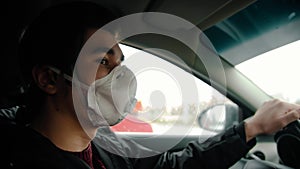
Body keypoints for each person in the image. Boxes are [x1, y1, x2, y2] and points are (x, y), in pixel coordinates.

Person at [1, 1, 300, 169]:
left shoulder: (103, 143)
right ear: (49, 79)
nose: (121, 76)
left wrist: (251, 128)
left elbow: (170, 166)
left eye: (120, 62)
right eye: (103, 61)